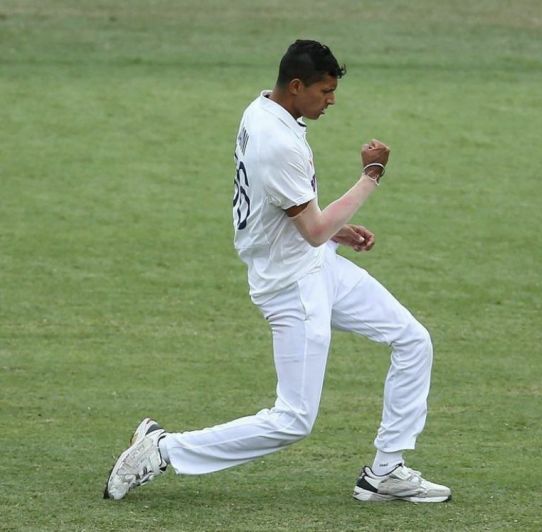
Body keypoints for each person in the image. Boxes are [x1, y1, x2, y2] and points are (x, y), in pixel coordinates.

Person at [104, 39, 451, 504]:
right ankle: (163, 451)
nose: (331, 100)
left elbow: (298, 218)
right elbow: (310, 228)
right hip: (292, 285)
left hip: (314, 263)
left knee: (412, 340)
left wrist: (335, 232)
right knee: (293, 419)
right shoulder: (278, 141)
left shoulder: (263, 110)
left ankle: (386, 471)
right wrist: (371, 175)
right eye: (325, 91)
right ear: (295, 85)